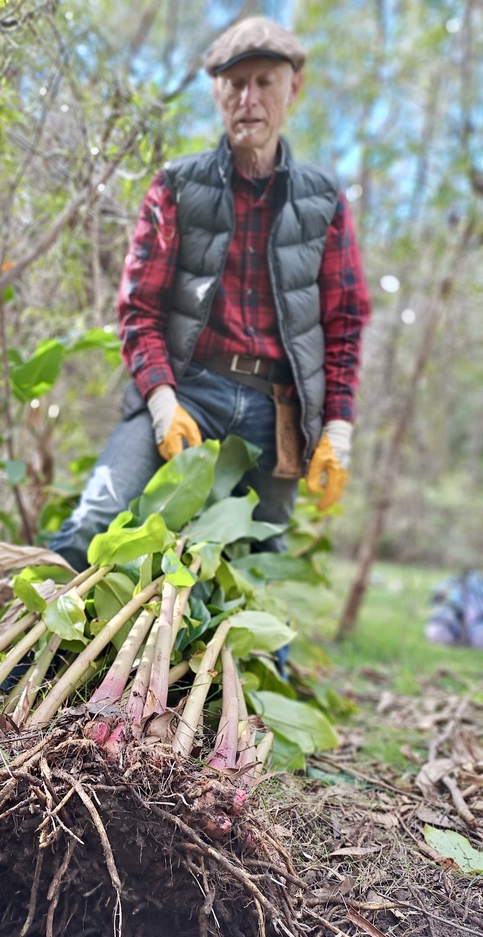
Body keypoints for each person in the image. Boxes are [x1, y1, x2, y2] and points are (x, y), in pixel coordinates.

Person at [50, 16, 370, 572]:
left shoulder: (325, 201)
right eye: (234, 83)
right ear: (217, 92)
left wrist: (337, 427)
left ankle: (235, 664)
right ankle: (38, 660)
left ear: (293, 88)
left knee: (251, 568)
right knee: (95, 524)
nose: (249, 98)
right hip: (190, 389)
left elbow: (344, 321)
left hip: (279, 410)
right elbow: (138, 310)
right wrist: (161, 400)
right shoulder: (176, 186)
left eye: (264, 82)